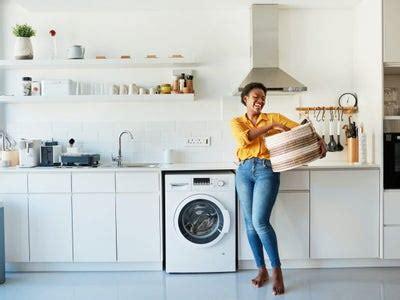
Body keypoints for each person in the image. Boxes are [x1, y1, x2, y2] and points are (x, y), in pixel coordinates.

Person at [231, 82, 326, 295]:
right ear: (245, 98)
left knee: (259, 221)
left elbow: (302, 128)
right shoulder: (236, 121)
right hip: (244, 171)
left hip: (266, 169)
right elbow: (244, 139)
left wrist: (319, 139)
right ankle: (261, 270)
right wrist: (270, 126)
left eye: (263, 97)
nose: (260, 100)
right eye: (256, 96)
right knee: (249, 224)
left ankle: (277, 271)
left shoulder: (276, 116)